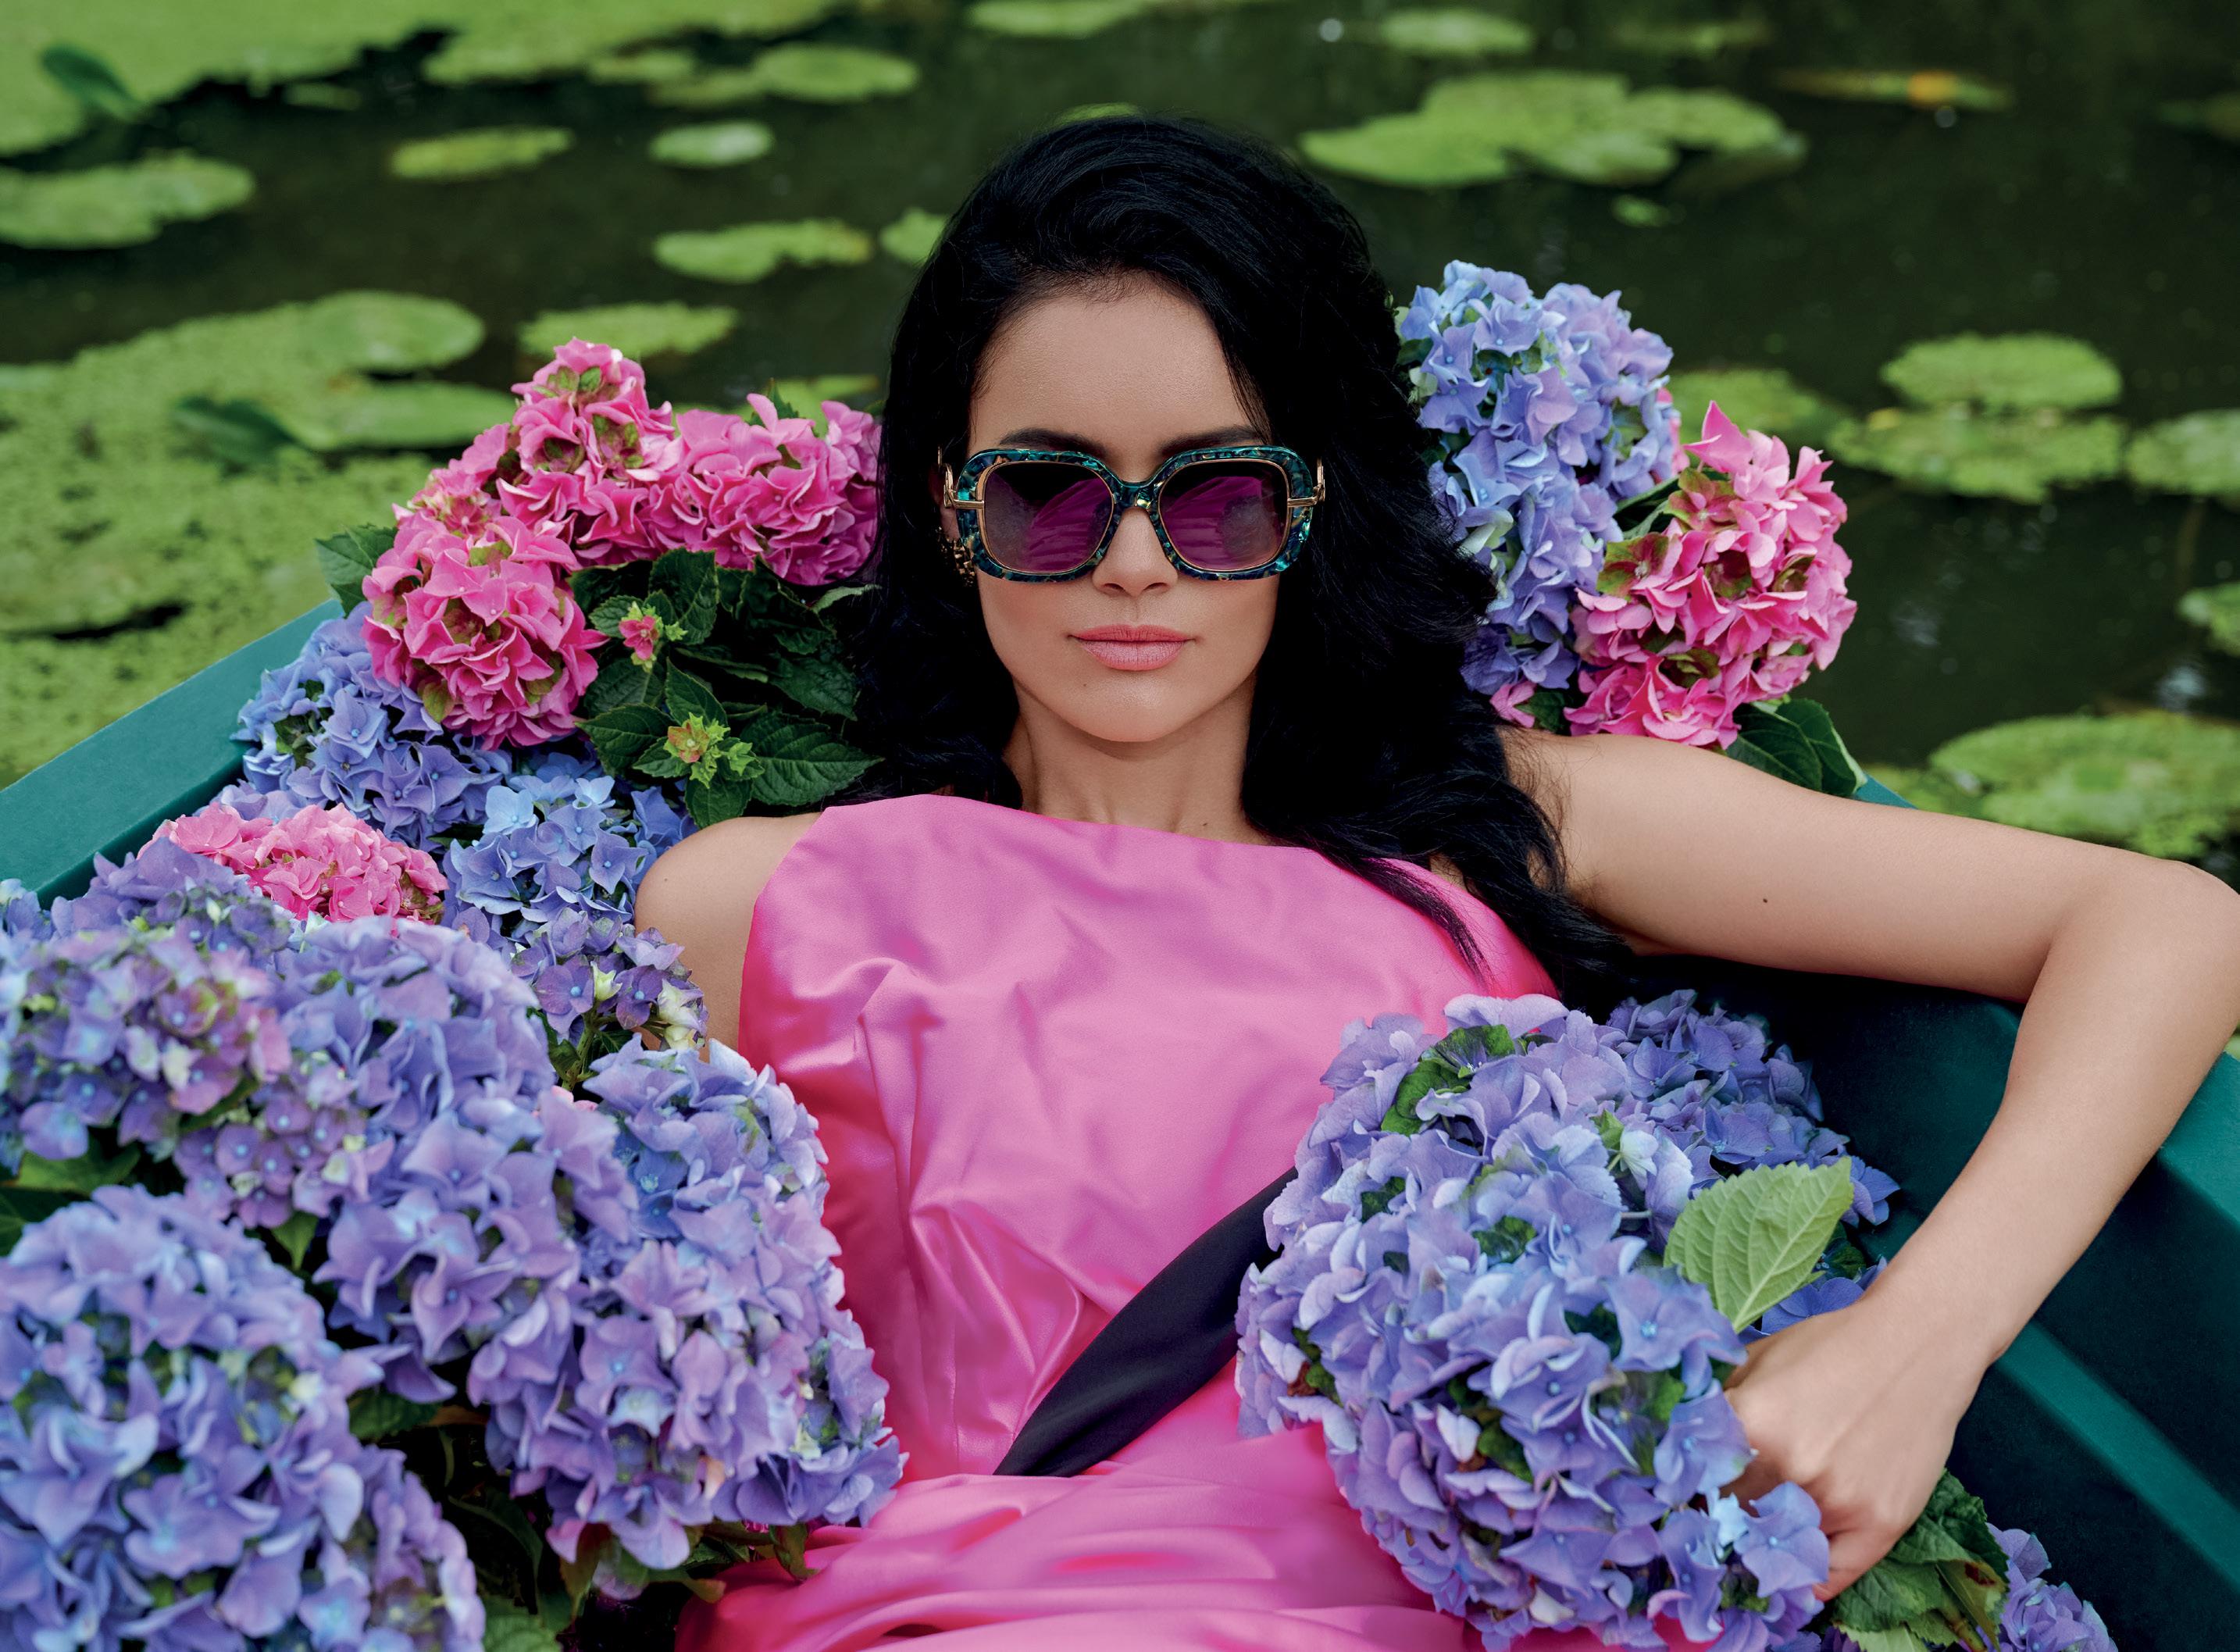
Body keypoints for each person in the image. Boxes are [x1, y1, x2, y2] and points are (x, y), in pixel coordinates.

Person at [633, 113, 2240, 1651]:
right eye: (1047, 492)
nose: (1133, 564)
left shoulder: (1504, 825)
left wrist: (1912, 1348)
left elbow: (2163, 921)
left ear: (1314, 502)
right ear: (947, 505)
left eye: (1218, 496)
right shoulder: (757, 906)